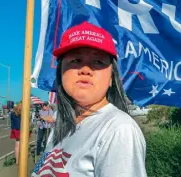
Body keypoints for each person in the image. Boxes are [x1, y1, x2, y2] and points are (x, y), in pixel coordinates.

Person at [32, 21, 147, 177]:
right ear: (61, 72)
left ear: (111, 78)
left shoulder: (119, 130)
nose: (85, 69)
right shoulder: (63, 121)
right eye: (75, 61)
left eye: (98, 62)